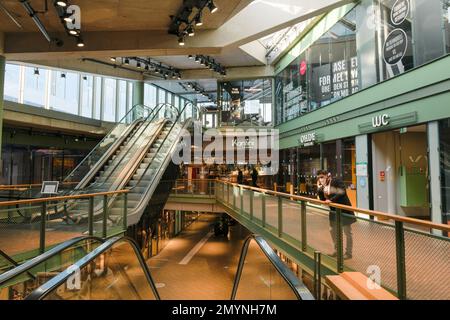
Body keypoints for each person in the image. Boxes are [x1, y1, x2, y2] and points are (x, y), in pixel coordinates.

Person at [316, 169, 356, 259]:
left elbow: (342, 192)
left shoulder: (336, 181)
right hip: (334, 211)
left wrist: (331, 200)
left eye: (322, 177)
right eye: (319, 178)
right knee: (332, 230)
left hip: (344, 210)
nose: (321, 179)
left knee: (347, 232)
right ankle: (337, 250)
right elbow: (323, 200)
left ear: (327, 175)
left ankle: (348, 253)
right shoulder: (323, 186)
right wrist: (319, 190)